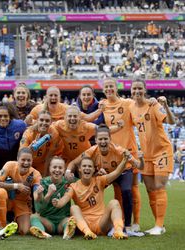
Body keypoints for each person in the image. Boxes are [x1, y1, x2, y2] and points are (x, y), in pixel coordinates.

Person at [66, 125, 144, 236]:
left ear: (110, 139)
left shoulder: (119, 150)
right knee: (92, 188)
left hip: (122, 172)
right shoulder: (92, 151)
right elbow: (74, 162)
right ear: (96, 140)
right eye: (100, 139)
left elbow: (140, 166)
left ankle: (127, 225)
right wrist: (68, 171)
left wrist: (140, 159)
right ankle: (94, 220)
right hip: (106, 175)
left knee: (126, 191)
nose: (103, 141)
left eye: (105, 139)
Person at [129, 79, 176, 235]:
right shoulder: (131, 107)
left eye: (139, 88)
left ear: (145, 90)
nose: (137, 91)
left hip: (162, 150)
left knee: (159, 186)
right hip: (147, 154)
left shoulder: (153, 105)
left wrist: (166, 106)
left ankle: (159, 225)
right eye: (134, 88)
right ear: (131, 91)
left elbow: (171, 121)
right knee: (150, 189)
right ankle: (159, 226)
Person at [100, 78, 147, 232]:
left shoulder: (128, 103)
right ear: (103, 89)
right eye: (106, 87)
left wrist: (150, 100)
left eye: (111, 86)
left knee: (132, 189)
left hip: (129, 152)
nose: (109, 89)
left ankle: (136, 222)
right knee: (118, 191)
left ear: (116, 87)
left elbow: (141, 108)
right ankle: (121, 221)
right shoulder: (102, 106)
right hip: (114, 155)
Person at [52, 153, 132, 240]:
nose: (87, 168)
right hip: (84, 223)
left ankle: (119, 231)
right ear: (80, 169)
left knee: (114, 203)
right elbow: (63, 200)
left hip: (101, 223)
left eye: (90, 166)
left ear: (94, 169)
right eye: (84, 166)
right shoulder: (73, 186)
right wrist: (57, 203)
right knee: (73, 208)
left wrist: (124, 160)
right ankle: (88, 232)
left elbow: (116, 173)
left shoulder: (100, 180)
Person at [0, 148, 42, 235]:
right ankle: (2, 226)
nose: (26, 163)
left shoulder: (36, 174)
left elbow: (36, 195)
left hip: (22, 201)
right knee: (0, 192)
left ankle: (14, 222)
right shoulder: (9, 165)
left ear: (32, 161)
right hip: (7, 199)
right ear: (17, 159)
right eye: (23, 160)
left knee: (25, 231)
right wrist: (16, 186)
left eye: (29, 160)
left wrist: (38, 194)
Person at [53, 105, 122, 164]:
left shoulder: (86, 127)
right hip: (67, 158)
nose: (72, 118)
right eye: (70, 116)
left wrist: (118, 127)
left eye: (75, 116)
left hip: (84, 158)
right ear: (65, 118)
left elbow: (104, 131)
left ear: (80, 118)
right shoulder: (59, 125)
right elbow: (49, 129)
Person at [30, 157, 76, 239]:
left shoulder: (68, 182)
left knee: (70, 220)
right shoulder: (42, 182)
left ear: (64, 170)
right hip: (47, 222)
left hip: (62, 220)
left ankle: (67, 233)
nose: (57, 170)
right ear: (49, 168)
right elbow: (39, 210)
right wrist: (48, 195)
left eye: (60, 168)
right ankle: (42, 232)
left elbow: (85, 181)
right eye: (54, 167)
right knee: (33, 217)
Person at [26, 87, 103, 125]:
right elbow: (27, 123)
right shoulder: (37, 109)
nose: (53, 97)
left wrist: (100, 110)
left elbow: (87, 118)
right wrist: (29, 121)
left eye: (55, 95)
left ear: (59, 97)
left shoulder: (67, 109)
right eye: (51, 95)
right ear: (46, 97)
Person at [20, 110, 63, 176]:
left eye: (47, 121)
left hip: (42, 163)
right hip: (27, 161)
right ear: (37, 120)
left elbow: (48, 157)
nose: (44, 123)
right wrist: (30, 148)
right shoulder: (29, 133)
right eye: (41, 120)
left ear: (51, 122)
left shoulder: (53, 134)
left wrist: (45, 176)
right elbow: (20, 154)